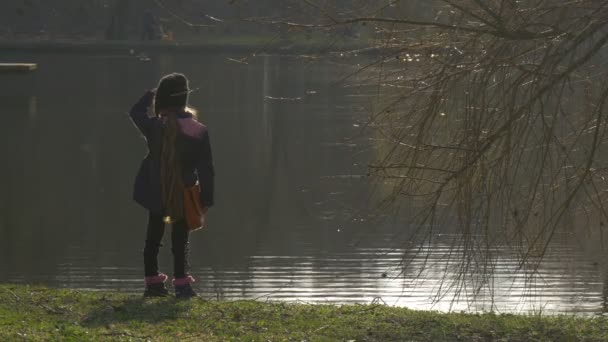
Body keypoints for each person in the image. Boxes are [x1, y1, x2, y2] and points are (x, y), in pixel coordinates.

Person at [129, 73, 215, 299]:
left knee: (153, 237)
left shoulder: (154, 126)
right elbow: (206, 168)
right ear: (184, 99)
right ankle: (182, 286)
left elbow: (135, 112)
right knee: (180, 239)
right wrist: (206, 199)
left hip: (155, 188)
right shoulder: (198, 130)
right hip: (184, 190)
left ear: (162, 100)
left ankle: (152, 284)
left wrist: (150, 94)